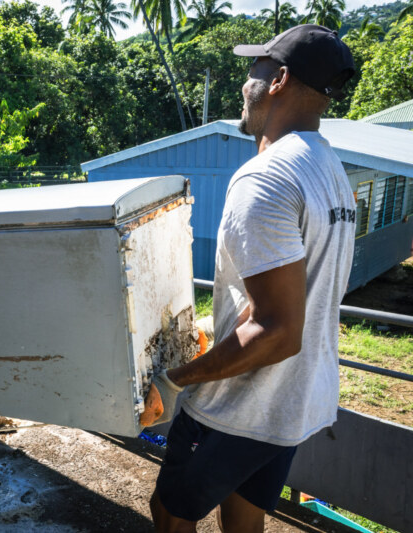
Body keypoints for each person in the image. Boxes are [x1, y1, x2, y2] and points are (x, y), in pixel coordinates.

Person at [140, 25, 357, 532]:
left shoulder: (265, 177)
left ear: (278, 79)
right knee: (244, 519)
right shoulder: (329, 167)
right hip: (295, 404)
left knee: (169, 514)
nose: (245, 81)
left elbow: (278, 331)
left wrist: (173, 381)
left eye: (253, 68)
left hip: (239, 409)